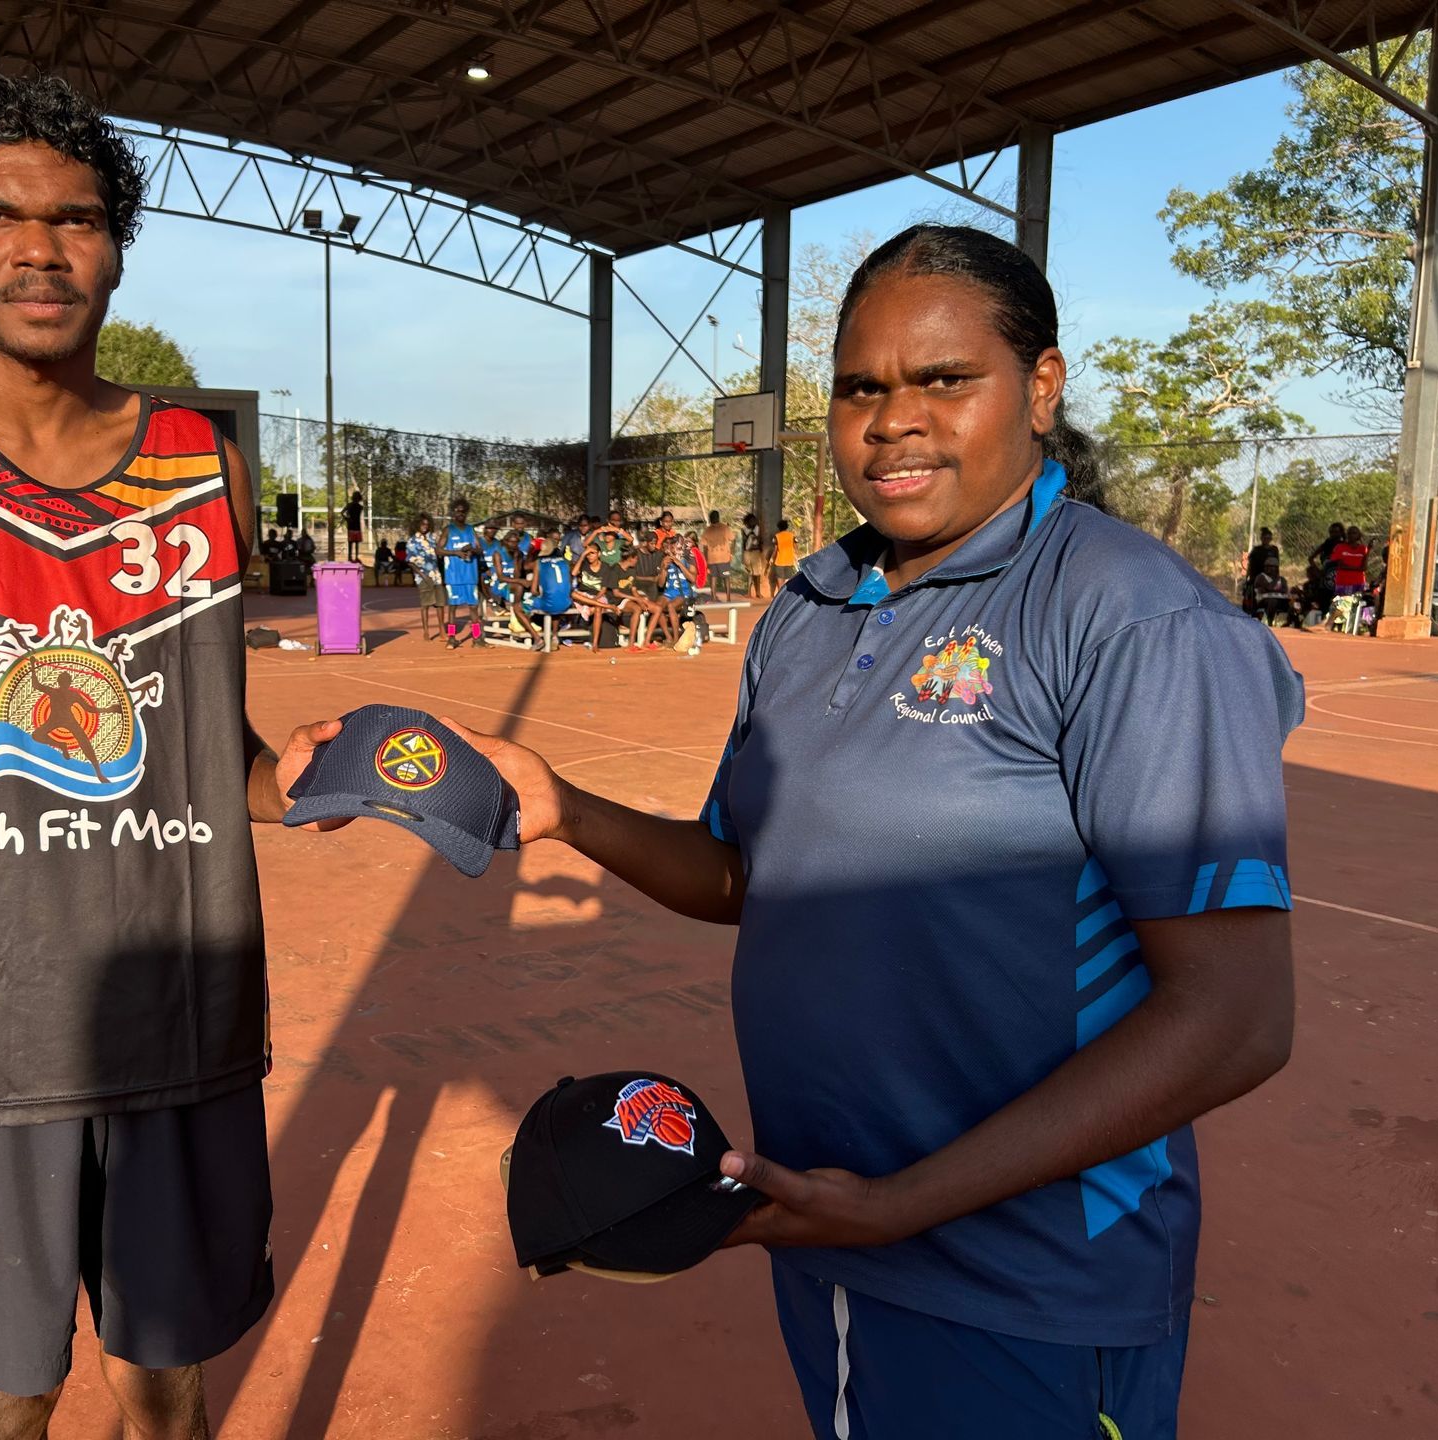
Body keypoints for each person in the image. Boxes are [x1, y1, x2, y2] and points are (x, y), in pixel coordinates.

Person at [452, 224, 1298, 1438]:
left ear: (1041, 389)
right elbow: (751, 874)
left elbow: (1236, 1019)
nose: (894, 420)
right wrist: (569, 811)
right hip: (831, 1230)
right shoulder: (809, 608)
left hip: (1030, 1288)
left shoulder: (1134, 620)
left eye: (945, 380)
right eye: (862, 388)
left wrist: (908, 1203)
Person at [0, 70, 340, 1440]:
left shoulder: (199, 461)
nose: (40, 250)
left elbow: (212, 745)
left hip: (184, 1026)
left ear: (117, 243)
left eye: (76, 220)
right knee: (8, 1411)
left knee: (167, 1392)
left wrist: (295, 774)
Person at [438, 498, 483, 649]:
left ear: (466, 513)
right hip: (454, 576)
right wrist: (456, 552)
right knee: (452, 608)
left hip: (470, 576)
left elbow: (480, 549)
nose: (460, 514)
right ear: (453, 513)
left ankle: (477, 638)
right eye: (457, 511)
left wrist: (472, 549)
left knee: (473, 607)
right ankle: (451, 638)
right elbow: (438, 550)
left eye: (463, 511)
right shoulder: (448, 530)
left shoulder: (471, 530)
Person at [405, 513, 445, 640]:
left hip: (436, 575)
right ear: (417, 524)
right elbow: (410, 561)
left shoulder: (432, 539)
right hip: (422, 577)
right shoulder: (412, 541)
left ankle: (442, 630)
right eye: (422, 524)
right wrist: (423, 575)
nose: (425, 526)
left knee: (440, 604)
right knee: (425, 605)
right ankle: (426, 632)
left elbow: (439, 556)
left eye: (427, 524)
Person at [1242, 527, 1280, 616]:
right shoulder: (1256, 550)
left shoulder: (1274, 550)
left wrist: (1277, 577)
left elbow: (1277, 564)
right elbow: (1250, 565)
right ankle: (1255, 613)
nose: (1266, 540)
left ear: (1271, 539)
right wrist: (1248, 577)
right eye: (1265, 538)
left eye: (1268, 538)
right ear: (1261, 538)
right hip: (1257, 577)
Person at [702, 509, 735, 599]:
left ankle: (713, 596)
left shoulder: (707, 530)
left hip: (712, 558)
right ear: (718, 518)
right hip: (724, 557)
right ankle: (728, 597)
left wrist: (706, 559)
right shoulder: (725, 528)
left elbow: (704, 547)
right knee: (726, 577)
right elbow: (733, 539)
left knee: (713, 577)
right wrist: (732, 553)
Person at [1329, 525, 1370, 596]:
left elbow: (1364, 567)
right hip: (1343, 582)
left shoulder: (1363, 549)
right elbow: (1340, 565)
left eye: (1354, 533)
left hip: (1358, 582)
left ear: (1359, 535)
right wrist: (1358, 569)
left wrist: (1369, 550)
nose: (1351, 535)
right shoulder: (1340, 547)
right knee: (1343, 606)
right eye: (1349, 533)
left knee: (1356, 605)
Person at [740, 511, 768, 598]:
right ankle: (749, 592)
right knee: (750, 573)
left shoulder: (757, 529)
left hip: (755, 552)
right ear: (747, 521)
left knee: (757, 573)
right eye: (752, 521)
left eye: (754, 521)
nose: (754, 522)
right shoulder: (745, 530)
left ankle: (758, 592)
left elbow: (761, 540)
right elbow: (745, 541)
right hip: (748, 552)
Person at [770, 518, 799, 587]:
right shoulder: (792, 536)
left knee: (780, 580)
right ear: (787, 527)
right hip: (789, 561)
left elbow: (775, 549)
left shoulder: (777, 536)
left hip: (779, 561)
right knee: (788, 581)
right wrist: (796, 557)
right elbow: (795, 547)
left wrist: (771, 558)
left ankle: (780, 594)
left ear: (779, 527)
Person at [343, 488, 365, 562]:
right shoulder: (360, 507)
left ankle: (351, 557)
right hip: (356, 526)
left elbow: (342, 512)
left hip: (352, 526)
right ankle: (355, 557)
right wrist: (347, 518)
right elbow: (342, 512)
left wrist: (347, 519)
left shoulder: (350, 505)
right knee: (355, 543)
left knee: (351, 542)